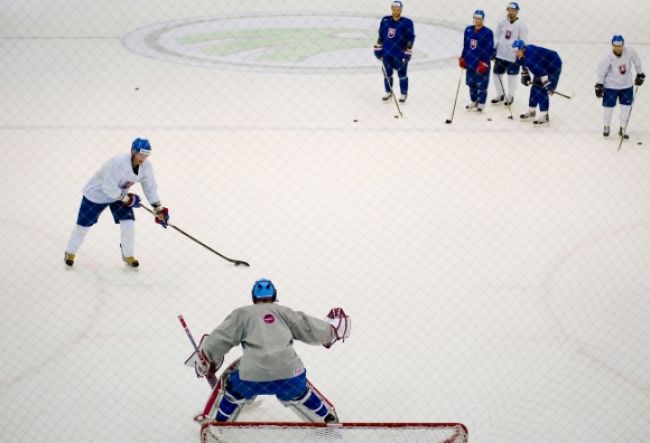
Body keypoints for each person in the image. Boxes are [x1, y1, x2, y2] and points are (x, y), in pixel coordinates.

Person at [188, 278, 351, 423]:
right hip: (290, 376)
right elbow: (309, 328)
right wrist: (331, 331)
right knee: (301, 392)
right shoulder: (285, 312)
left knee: (232, 390)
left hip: (251, 379)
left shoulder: (242, 314)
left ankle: (220, 424)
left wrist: (207, 359)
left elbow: (220, 339)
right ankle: (326, 419)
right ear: (274, 296)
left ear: (253, 297)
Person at [63, 138, 169, 268]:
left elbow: (150, 187)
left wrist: (158, 208)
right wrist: (128, 200)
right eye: (141, 154)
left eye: (147, 154)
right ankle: (70, 252)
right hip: (97, 195)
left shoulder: (146, 167)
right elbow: (107, 187)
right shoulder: (118, 162)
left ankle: (128, 255)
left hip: (119, 196)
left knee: (128, 224)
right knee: (83, 226)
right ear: (133, 152)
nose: (144, 157)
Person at [595, 35, 644, 138]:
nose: (618, 48)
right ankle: (606, 126)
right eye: (615, 46)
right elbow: (601, 70)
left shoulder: (630, 51)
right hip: (611, 86)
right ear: (612, 45)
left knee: (626, 108)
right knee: (608, 109)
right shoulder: (607, 56)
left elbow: (637, 61)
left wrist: (640, 73)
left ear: (623, 45)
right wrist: (599, 84)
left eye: (620, 46)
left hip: (627, 85)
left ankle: (622, 128)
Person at [373, 0, 415, 103]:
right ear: (391, 9)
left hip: (400, 53)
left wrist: (408, 51)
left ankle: (403, 93)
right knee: (387, 74)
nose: (396, 11)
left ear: (401, 9)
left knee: (402, 74)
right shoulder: (385, 20)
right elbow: (381, 36)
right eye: (394, 9)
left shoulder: (407, 22)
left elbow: (410, 38)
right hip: (386, 52)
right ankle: (388, 92)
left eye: (398, 9)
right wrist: (378, 48)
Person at [513, 39, 562, 125]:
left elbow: (542, 73)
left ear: (523, 49)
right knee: (534, 88)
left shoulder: (531, 58)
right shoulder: (522, 53)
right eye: (514, 50)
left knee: (542, 90)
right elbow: (522, 62)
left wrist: (548, 86)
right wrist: (525, 74)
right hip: (541, 64)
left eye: (517, 50)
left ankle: (544, 116)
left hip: (553, 65)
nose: (515, 53)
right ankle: (531, 111)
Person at [491, 2, 528, 105]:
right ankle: (500, 94)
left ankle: (510, 96)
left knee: (512, 77)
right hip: (500, 54)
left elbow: (523, 41)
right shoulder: (502, 21)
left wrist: (521, 54)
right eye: (509, 10)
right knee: (496, 75)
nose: (510, 12)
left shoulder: (521, 24)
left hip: (513, 56)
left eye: (513, 10)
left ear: (517, 11)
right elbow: (497, 36)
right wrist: (494, 49)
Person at [459, 9, 494, 112]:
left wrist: (484, 62)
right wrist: (463, 57)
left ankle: (481, 103)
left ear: (483, 19)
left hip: (481, 63)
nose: (477, 20)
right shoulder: (468, 30)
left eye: (479, 18)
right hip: (470, 62)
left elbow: (489, 48)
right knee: (471, 83)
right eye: (475, 18)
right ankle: (474, 101)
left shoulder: (488, 32)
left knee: (481, 84)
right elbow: (465, 46)